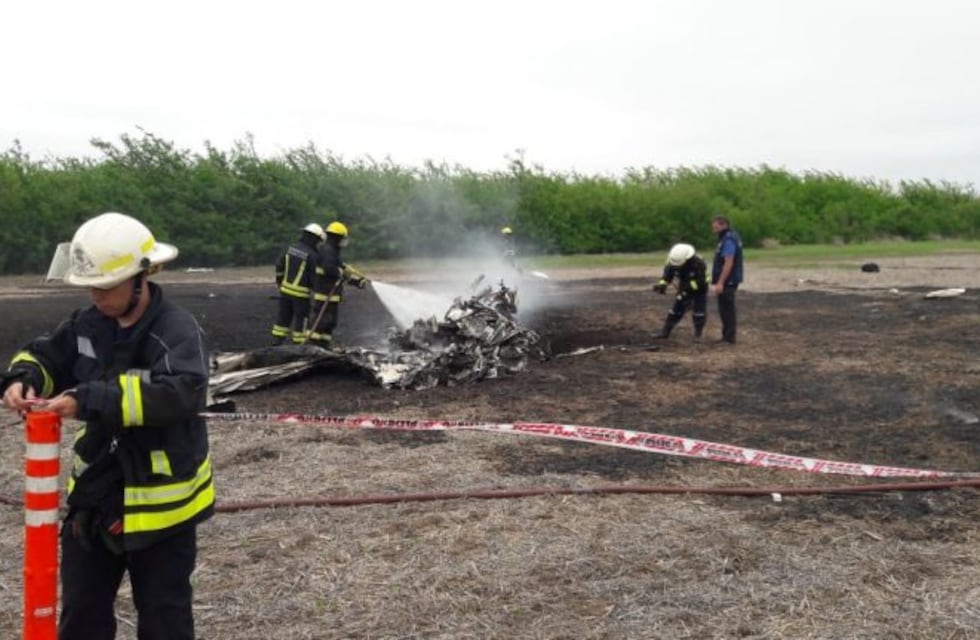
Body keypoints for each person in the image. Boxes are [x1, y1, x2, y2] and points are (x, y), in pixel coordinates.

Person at [0, 212, 214, 640]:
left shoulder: (176, 330)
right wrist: (22, 379)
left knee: (164, 620)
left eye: (104, 286)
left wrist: (90, 399)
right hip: (95, 500)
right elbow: (46, 355)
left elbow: (180, 392)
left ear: (141, 277)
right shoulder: (88, 324)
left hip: (162, 509)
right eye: (89, 286)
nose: (95, 296)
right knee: (81, 614)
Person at [309, 221, 370, 348]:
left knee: (330, 322)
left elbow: (341, 270)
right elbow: (330, 270)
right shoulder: (327, 250)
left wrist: (358, 280)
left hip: (330, 293)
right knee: (322, 322)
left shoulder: (331, 250)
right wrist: (351, 278)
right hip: (325, 294)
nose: (344, 241)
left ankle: (324, 346)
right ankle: (314, 346)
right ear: (337, 237)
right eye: (343, 238)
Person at [271, 222, 324, 345]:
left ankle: (276, 344)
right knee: (301, 320)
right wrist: (318, 292)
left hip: (284, 293)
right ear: (315, 239)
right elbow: (314, 278)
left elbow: (279, 267)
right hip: (301, 296)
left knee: (283, 319)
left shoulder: (290, 249)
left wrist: (280, 282)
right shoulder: (312, 256)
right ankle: (299, 347)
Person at [651, 243, 708, 340]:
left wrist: (687, 290)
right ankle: (665, 332)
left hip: (700, 288)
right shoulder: (672, 262)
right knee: (676, 309)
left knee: (699, 311)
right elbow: (667, 276)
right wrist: (662, 284)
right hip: (685, 284)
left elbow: (701, 281)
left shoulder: (698, 263)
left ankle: (698, 334)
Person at [711, 214, 744, 344]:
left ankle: (729, 337)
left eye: (716, 226)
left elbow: (728, 261)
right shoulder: (729, 237)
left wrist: (720, 282)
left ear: (723, 225)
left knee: (727, 308)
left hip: (728, 280)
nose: (714, 229)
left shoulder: (728, 240)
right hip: (729, 279)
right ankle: (727, 335)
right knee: (724, 308)